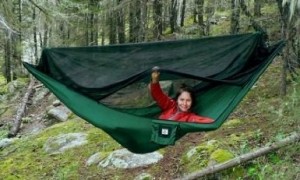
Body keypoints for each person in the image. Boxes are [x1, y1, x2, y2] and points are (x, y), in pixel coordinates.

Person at [149, 67, 214, 123]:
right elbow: (158, 95)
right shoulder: (170, 105)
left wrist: (215, 122)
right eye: (182, 100)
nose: (184, 103)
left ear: (192, 102)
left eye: (188, 100)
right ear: (177, 100)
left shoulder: (189, 117)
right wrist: (155, 81)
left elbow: (203, 120)